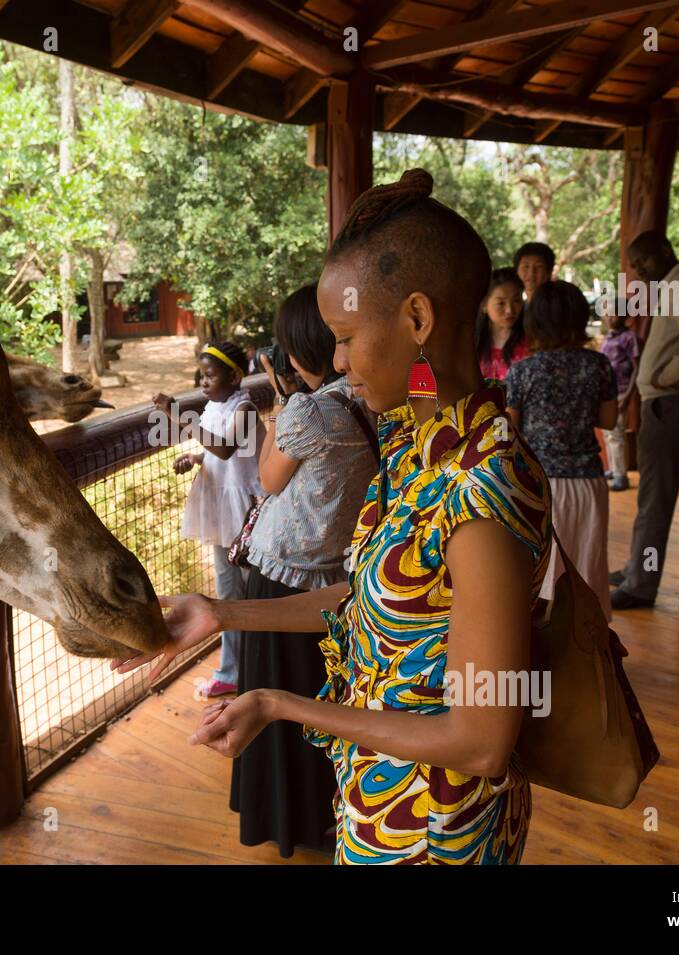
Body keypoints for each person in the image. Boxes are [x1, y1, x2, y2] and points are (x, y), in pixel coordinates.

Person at [119, 169, 551, 865]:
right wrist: (222, 615)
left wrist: (280, 704)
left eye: (346, 336)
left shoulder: (483, 485)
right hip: (375, 802)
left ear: (417, 319)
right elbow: (371, 597)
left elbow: (480, 738)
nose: (342, 362)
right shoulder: (416, 447)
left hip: (436, 833)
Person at [231, 285, 378, 858]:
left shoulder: (308, 412)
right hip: (340, 579)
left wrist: (278, 407)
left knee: (273, 704)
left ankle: (282, 819)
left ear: (295, 353)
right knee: (324, 699)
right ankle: (325, 813)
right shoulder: (374, 399)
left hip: (281, 577)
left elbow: (269, 480)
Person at [610, 231, 679, 610]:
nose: (641, 270)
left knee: (655, 498)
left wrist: (665, 376)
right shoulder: (674, 285)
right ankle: (635, 570)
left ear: (665, 250)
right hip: (664, 402)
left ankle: (640, 585)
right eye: (636, 266)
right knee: (649, 496)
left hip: (670, 402)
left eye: (645, 261)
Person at [154, 340, 265, 696]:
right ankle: (231, 672)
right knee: (227, 594)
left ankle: (260, 668)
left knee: (255, 596)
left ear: (234, 376)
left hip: (246, 514)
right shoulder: (213, 407)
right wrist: (196, 459)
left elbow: (227, 447)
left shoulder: (245, 407)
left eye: (210, 375)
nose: (203, 382)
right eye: (200, 376)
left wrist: (177, 417)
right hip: (220, 513)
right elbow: (215, 453)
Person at [505, 281, 618, 621]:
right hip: (587, 482)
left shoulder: (522, 371)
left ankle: (543, 659)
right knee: (586, 567)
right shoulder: (598, 365)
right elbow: (609, 420)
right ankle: (586, 653)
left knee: (541, 573)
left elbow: (509, 431)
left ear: (534, 322)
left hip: (537, 485)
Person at [599, 302, 640, 491]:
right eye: (607, 314)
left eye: (615, 314)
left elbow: (636, 367)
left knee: (617, 433)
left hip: (621, 391)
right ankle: (615, 469)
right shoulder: (608, 337)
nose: (610, 318)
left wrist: (629, 394)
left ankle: (621, 475)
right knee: (609, 433)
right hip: (606, 393)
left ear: (625, 317)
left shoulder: (629, 338)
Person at [475, 267, 529, 381]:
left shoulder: (532, 342)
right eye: (501, 303)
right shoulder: (472, 342)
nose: (509, 310)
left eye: (516, 300)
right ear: (484, 304)